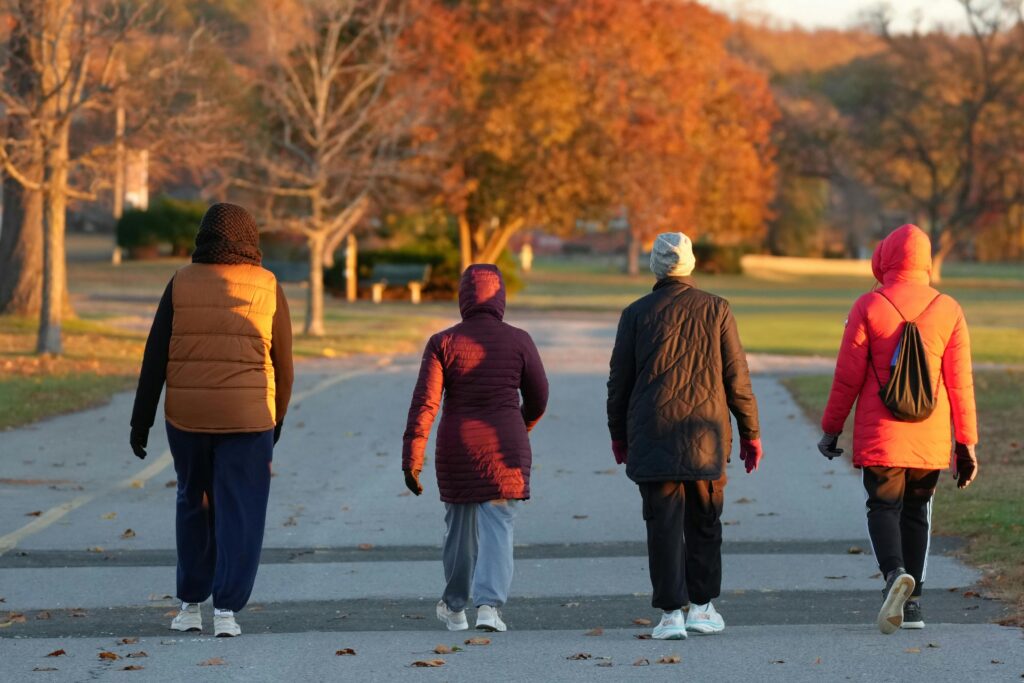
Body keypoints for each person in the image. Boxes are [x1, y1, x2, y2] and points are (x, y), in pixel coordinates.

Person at [129, 203, 293, 637]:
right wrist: (276, 420)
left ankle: (189, 605)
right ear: (251, 239)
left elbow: (154, 356)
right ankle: (226, 611)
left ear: (203, 237)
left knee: (193, 503)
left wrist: (140, 421)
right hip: (249, 418)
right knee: (241, 509)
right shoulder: (267, 285)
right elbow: (284, 363)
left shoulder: (181, 281)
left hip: (188, 417)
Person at [818, 223, 977, 634]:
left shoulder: (869, 305)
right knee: (917, 511)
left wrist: (831, 429)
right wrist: (966, 444)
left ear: (886, 257)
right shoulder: (948, 308)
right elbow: (960, 384)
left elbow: (847, 378)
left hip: (881, 432)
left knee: (883, 507)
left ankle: (894, 576)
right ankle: (914, 605)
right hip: (929, 433)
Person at [607, 232, 762, 641]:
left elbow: (619, 382)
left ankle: (671, 614)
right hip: (706, 435)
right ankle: (702, 606)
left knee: (662, 525)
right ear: (690, 264)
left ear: (656, 267)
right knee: (705, 521)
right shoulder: (717, 309)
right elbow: (737, 378)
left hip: (652, 433)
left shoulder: (635, 313)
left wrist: (618, 435)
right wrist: (751, 433)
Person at [402, 264, 548, 633]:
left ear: (463, 297)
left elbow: (425, 404)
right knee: (499, 526)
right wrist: (521, 425)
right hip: (505, 446)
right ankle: (488, 607)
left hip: (458, 447)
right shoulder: (519, 340)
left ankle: (454, 608)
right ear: (500, 298)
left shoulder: (443, 342)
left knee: (459, 530)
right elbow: (539, 396)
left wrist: (412, 458)